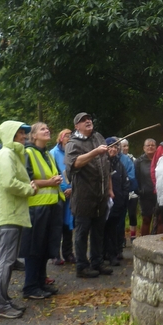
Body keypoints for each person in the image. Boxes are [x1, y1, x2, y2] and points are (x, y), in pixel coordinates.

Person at [0, 121, 38, 318]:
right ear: (11, 134)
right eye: (20, 132)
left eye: (24, 133)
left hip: (13, 214)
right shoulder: (6, 154)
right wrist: (29, 189)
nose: (24, 136)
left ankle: (3, 299)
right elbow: (9, 182)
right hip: (8, 215)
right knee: (5, 260)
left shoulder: (12, 154)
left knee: (8, 260)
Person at [64, 112, 113, 279]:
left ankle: (97, 262)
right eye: (83, 120)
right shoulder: (73, 143)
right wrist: (94, 153)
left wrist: (108, 189)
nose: (88, 121)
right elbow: (73, 164)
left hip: (101, 196)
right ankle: (82, 266)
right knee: (82, 233)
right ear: (76, 126)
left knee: (98, 231)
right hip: (83, 197)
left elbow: (106, 166)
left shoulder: (98, 137)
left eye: (89, 119)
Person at [21, 122, 63, 300]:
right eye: (42, 129)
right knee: (34, 248)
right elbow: (26, 180)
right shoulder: (28, 152)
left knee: (46, 247)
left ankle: (40, 282)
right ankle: (30, 287)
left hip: (52, 205)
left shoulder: (47, 153)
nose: (47, 131)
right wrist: (50, 182)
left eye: (48, 128)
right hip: (36, 207)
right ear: (34, 136)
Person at [49, 129, 75, 264]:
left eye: (71, 136)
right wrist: (61, 189)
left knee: (68, 224)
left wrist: (72, 188)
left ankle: (68, 253)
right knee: (57, 224)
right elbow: (50, 174)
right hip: (58, 193)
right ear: (60, 138)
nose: (69, 138)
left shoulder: (73, 153)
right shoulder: (52, 153)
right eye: (67, 136)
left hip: (71, 193)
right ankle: (55, 255)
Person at [103, 137, 130, 266]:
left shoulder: (120, 164)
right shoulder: (101, 163)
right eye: (110, 146)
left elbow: (126, 182)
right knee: (102, 229)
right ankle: (102, 254)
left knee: (114, 229)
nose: (113, 149)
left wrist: (123, 198)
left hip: (117, 202)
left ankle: (114, 253)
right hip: (103, 203)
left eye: (115, 147)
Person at [135, 137, 157, 236]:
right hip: (145, 195)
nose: (150, 147)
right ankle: (144, 242)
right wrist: (139, 191)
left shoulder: (161, 159)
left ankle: (158, 242)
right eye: (148, 145)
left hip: (159, 194)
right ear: (144, 148)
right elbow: (135, 178)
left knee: (159, 219)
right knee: (146, 219)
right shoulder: (139, 162)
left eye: (153, 145)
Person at [119, 139, 138, 243]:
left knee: (132, 214)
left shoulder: (133, 159)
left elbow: (135, 175)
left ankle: (133, 236)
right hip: (121, 191)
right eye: (123, 146)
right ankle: (121, 237)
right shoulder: (116, 159)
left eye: (127, 146)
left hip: (132, 192)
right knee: (121, 214)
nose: (125, 148)